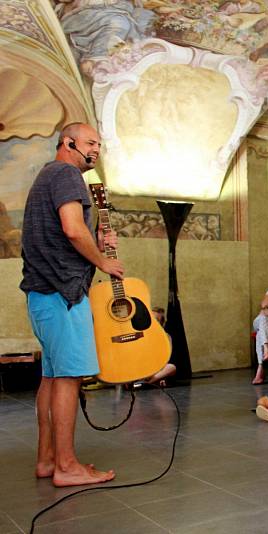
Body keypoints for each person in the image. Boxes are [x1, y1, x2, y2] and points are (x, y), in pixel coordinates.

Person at [21, 122, 123, 487]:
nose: (96, 149)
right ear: (68, 143)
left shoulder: (49, 176)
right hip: (63, 294)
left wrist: (95, 237)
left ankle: (47, 460)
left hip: (43, 294)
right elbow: (71, 229)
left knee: (51, 378)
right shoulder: (66, 173)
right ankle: (67, 466)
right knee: (68, 378)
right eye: (90, 142)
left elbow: (68, 230)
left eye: (99, 144)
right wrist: (103, 261)